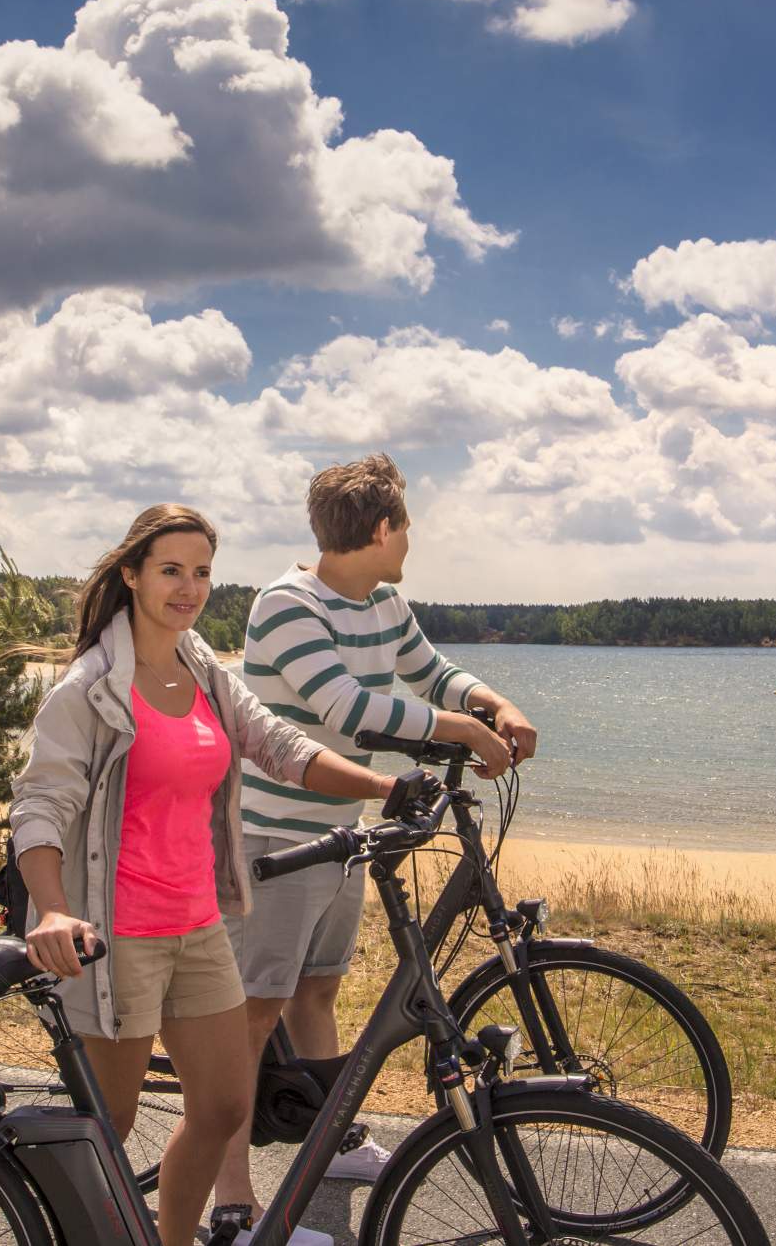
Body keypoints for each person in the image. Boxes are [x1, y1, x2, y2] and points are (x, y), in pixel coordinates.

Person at [8, 504, 394, 1246]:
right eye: (171, 570)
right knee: (109, 1127)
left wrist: (382, 788)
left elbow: (277, 742)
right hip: (115, 939)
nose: (189, 588)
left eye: (203, 572)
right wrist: (52, 910)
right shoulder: (89, 687)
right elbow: (39, 808)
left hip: (199, 924)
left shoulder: (203, 668)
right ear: (132, 575)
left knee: (219, 1108)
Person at [213, 453, 539, 1226]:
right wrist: (460, 729)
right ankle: (232, 1197)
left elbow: (430, 672)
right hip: (273, 838)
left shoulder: (384, 601)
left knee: (316, 991)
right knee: (253, 1012)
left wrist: (496, 701)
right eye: (408, 526)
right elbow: (346, 705)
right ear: (383, 527)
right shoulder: (287, 603)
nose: (410, 539)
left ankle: (330, 1134)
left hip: (340, 833)